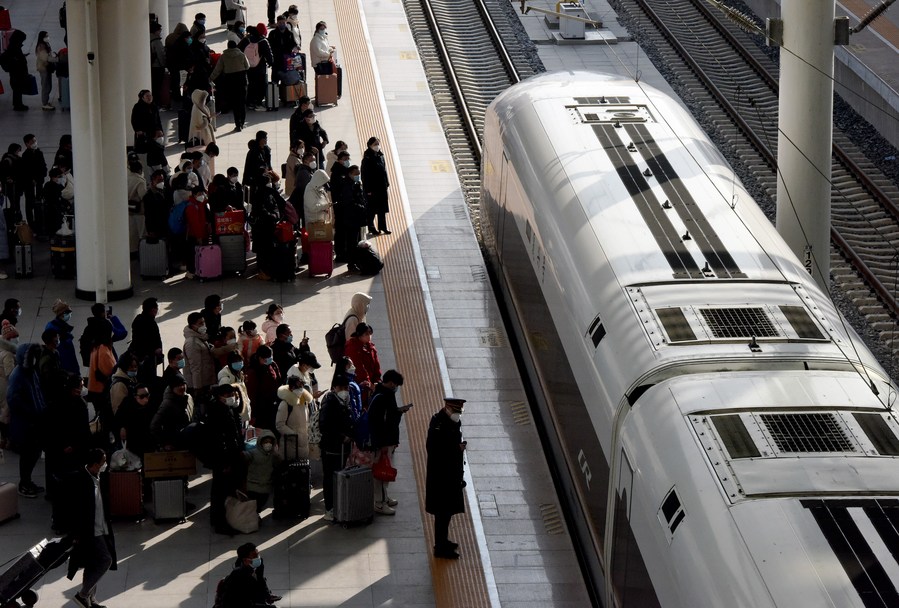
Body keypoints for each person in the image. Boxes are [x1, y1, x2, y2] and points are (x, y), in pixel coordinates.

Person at [62, 448, 118, 608]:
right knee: (106, 560)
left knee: (92, 563)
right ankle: (83, 595)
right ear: (94, 465)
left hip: (101, 527)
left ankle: (91, 600)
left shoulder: (99, 476)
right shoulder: (80, 480)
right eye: (103, 462)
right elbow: (73, 509)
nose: (105, 465)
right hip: (89, 531)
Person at [426, 398, 467, 559]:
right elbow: (433, 449)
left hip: (450, 475)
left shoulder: (451, 422)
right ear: (448, 408)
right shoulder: (438, 424)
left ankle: (443, 541)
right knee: (442, 513)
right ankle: (440, 547)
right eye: (456, 411)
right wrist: (456, 449)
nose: (458, 415)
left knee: (447, 512)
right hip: (441, 478)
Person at [7, 343, 47, 498]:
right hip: (26, 424)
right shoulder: (19, 375)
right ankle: (24, 483)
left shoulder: (30, 372)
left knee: (33, 454)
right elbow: (13, 399)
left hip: (33, 421)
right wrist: (32, 412)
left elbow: (37, 392)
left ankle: (27, 481)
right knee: (27, 455)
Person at [205, 384, 245, 533]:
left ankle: (219, 519)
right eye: (228, 395)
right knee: (220, 490)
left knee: (220, 489)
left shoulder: (225, 408)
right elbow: (219, 439)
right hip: (223, 458)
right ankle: (220, 522)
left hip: (226, 456)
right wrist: (225, 462)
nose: (232, 398)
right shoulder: (217, 411)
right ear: (220, 397)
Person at [368, 370, 407, 515]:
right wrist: (382, 444)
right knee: (380, 472)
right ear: (391, 382)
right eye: (395, 384)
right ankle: (379, 502)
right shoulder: (383, 397)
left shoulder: (382, 394)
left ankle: (384, 497)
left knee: (385, 470)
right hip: (382, 442)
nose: (396, 387)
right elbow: (380, 423)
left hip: (387, 440)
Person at [317, 374, 353, 521]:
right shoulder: (329, 403)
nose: (345, 390)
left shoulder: (344, 400)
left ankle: (338, 505)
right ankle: (330, 508)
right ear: (334, 388)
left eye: (346, 388)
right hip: (331, 448)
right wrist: (341, 437)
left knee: (339, 477)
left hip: (342, 448)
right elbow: (324, 426)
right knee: (330, 478)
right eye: (341, 388)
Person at [210, 40, 250, 131]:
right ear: (236, 46)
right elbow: (247, 66)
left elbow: (217, 70)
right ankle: (242, 122)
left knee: (235, 104)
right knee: (242, 103)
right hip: (242, 80)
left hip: (230, 82)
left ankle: (237, 124)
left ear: (228, 47)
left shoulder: (223, 57)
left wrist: (210, 78)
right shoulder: (241, 55)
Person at [150, 373, 194, 450]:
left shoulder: (188, 398)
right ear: (172, 387)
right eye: (178, 385)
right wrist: (164, 443)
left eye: (183, 384)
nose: (182, 387)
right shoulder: (167, 404)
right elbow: (154, 426)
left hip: (188, 441)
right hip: (174, 446)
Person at [334, 164, 367, 264]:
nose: (358, 175)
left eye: (359, 174)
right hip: (351, 218)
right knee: (352, 242)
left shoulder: (355, 184)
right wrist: (361, 207)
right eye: (356, 174)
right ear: (350, 174)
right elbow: (349, 202)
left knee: (355, 240)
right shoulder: (347, 186)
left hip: (356, 218)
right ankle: (351, 263)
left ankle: (354, 261)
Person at [242, 429, 280, 511]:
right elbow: (246, 456)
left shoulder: (273, 456)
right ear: (261, 442)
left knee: (259, 506)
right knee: (254, 507)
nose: (268, 444)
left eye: (270, 442)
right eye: (266, 442)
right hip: (253, 486)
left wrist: (277, 455)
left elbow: (278, 464)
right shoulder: (254, 453)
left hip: (265, 488)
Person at [275, 376, 311, 461]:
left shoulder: (304, 402)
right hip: (290, 448)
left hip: (304, 447)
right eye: (297, 387)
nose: (300, 389)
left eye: (301, 387)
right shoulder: (285, 404)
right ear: (291, 388)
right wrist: (294, 436)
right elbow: (280, 425)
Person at [244, 345, 280, 431]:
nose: (269, 359)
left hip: (273, 405)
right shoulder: (252, 372)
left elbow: (278, 379)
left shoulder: (272, 365)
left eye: (270, 357)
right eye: (266, 358)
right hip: (261, 409)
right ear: (260, 358)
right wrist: (253, 414)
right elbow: (251, 395)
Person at [114, 383, 154, 457]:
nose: (146, 399)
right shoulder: (127, 405)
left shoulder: (151, 405)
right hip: (131, 443)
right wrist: (122, 427)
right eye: (142, 396)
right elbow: (117, 420)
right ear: (135, 396)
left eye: (147, 395)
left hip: (147, 442)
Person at [238, 26, 273, 110]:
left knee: (250, 84)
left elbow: (238, 49)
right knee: (261, 85)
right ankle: (258, 103)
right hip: (259, 67)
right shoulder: (263, 41)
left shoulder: (246, 40)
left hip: (247, 67)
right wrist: (270, 63)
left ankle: (249, 102)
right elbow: (268, 54)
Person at [344, 323, 381, 401]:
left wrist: (377, 381)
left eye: (370, 333)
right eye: (366, 334)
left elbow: (376, 366)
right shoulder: (352, 348)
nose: (369, 336)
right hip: (359, 386)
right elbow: (359, 369)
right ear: (360, 335)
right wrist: (369, 384)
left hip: (371, 385)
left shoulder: (370, 347)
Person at [361, 137, 391, 235]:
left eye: (378, 143)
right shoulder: (367, 158)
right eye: (375, 144)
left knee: (382, 208)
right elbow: (364, 175)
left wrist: (386, 182)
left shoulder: (380, 155)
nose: (377, 146)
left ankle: (383, 227)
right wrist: (368, 189)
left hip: (382, 186)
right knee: (372, 209)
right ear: (370, 145)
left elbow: (384, 170)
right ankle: (371, 227)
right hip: (373, 188)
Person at [183, 311, 217, 395]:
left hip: (206, 381)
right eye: (200, 323)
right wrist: (198, 388)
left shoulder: (200, 338)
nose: (203, 325)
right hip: (200, 385)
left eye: (204, 322)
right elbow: (195, 368)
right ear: (193, 326)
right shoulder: (192, 343)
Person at [130, 297, 163, 383]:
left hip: (147, 357)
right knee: (148, 380)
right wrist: (155, 350)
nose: (157, 311)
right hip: (146, 358)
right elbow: (143, 342)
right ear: (152, 310)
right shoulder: (146, 322)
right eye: (156, 309)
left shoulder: (143, 320)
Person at [21, 134, 48, 234]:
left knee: (39, 202)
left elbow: (43, 166)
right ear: (27, 143)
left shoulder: (39, 153)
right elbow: (25, 171)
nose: (35, 143)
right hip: (29, 185)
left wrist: (42, 175)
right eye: (32, 142)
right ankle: (31, 224)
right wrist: (31, 179)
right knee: (29, 204)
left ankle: (40, 223)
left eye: (35, 140)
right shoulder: (25, 155)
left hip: (39, 182)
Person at [46, 299, 80, 375]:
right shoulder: (59, 330)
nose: (70, 315)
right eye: (69, 313)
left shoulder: (55, 326)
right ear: (63, 314)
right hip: (65, 366)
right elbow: (66, 355)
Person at [130, 90, 164, 162]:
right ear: (142, 98)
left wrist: (160, 130)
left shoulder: (154, 106)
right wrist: (138, 130)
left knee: (157, 150)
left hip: (154, 133)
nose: (149, 98)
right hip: (144, 134)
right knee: (145, 153)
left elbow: (158, 120)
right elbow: (134, 120)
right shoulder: (137, 107)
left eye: (150, 95)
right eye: (147, 96)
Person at [1, 30, 31, 111]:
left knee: (17, 89)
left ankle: (17, 104)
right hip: (17, 72)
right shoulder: (14, 47)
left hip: (16, 72)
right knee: (18, 88)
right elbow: (10, 57)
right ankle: (18, 105)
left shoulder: (14, 46)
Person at [0, 320, 19, 448]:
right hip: (6, 386)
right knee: (6, 413)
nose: (17, 340)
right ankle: (5, 439)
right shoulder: (8, 354)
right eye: (14, 338)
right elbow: (11, 374)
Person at [218, 350, 251, 424]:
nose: (239, 363)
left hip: (243, 413)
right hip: (235, 416)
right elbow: (226, 401)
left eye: (240, 360)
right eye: (236, 361)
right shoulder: (225, 378)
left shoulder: (239, 374)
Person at [127, 159, 148, 253]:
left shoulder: (126, 178)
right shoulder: (140, 181)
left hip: (127, 208)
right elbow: (143, 196)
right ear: (140, 170)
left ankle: (131, 250)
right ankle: (140, 250)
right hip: (138, 209)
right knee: (141, 231)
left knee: (131, 231)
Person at [109, 352, 139, 417]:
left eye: (136, 367)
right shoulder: (119, 384)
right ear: (124, 367)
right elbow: (118, 409)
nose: (134, 369)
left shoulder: (131, 379)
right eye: (131, 367)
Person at [143, 169, 170, 239]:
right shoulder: (148, 196)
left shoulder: (165, 191)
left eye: (162, 180)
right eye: (159, 180)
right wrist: (151, 230)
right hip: (156, 228)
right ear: (152, 181)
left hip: (166, 225)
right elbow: (148, 215)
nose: (161, 182)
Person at [35, 31, 57, 110]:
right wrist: (57, 59)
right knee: (45, 86)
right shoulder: (41, 47)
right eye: (46, 36)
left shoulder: (46, 45)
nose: (48, 37)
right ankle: (44, 103)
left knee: (48, 85)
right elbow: (45, 58)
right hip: (43, 68)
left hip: (47, 68)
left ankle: (46, 102)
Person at [150, 22, 166, 105]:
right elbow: (161, 55)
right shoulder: (156, 41)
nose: (160, 32)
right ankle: (156, 101)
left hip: (151, 66)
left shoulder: (148, 38)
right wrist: (164, 65)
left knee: (153, 85)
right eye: (160, 30)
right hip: (157, 66)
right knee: (157, 86)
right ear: (155, 31)